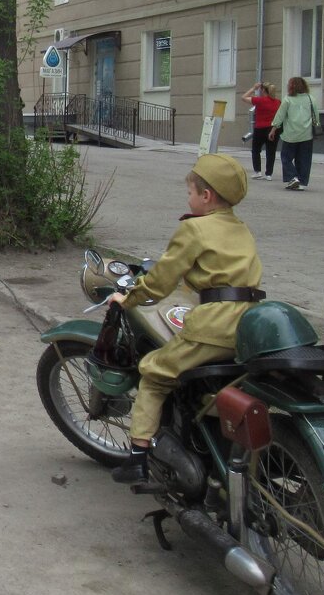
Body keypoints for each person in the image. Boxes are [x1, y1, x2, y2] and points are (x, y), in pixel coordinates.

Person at [106, 154, 263, 483]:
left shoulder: (194, 228)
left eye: (190, 192)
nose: (188, 198)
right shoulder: (242, 228)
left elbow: (162, 280)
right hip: (249, 324)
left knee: (154, 373)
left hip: (214, 324)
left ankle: (137, 459)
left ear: (206, 196)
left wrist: (128, 298)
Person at [270, 76, 321, 191]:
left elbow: (280, 115)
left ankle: (292, 177)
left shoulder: (288, 99)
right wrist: (316, 129)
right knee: (304, 159)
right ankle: (301, 182)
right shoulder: (310, 98)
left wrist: (273, 129)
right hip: (307, 134)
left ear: (291, 87)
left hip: (291, 134)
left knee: (286, 157)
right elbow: (316, 115)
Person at [242, 82, 279, 181]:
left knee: (256, 150)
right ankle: (269, 174)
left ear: (263, 90)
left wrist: (253, 88)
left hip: (260, 128)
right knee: (271, 152)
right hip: (273, 129)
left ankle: (258, 172)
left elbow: (244, 97)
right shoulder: (277, 102)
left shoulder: (260, 100)